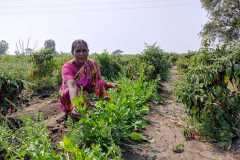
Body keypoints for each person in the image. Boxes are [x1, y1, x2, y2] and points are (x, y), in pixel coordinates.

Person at [59, 39, 115, 119]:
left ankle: (97, 104)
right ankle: (75, 110)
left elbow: (98, 80)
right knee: (76, 91)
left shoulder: (92, 63)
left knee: (100, 83)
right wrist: (76, 104)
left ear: (88, 51)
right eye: (78, 51)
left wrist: (109, 85)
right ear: (72, 52)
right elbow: (72, 86)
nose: (81, 54)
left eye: (84, 51)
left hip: (87, 90)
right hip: (71, 94)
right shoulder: (67, 67)